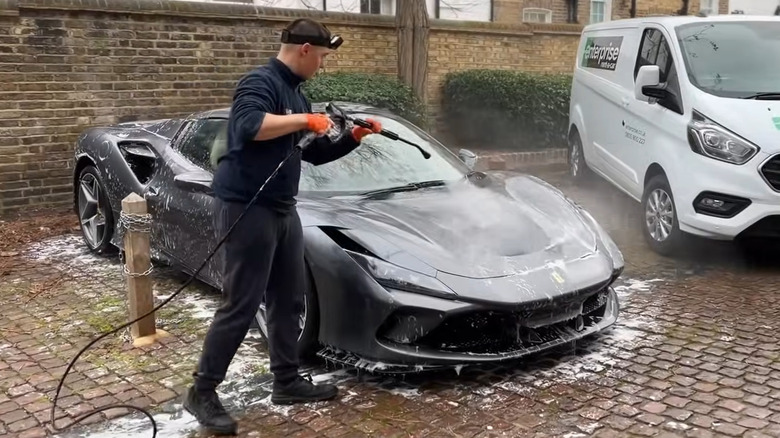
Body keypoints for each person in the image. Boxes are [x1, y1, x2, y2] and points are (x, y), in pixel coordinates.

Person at [183, 18, 382, 436]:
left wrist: (353, 139)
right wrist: (304, 121)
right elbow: (249, 126)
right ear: (305, 49)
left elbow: (309, 156)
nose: (323, 66)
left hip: (280, 207)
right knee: (241, 303)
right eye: (323, 58)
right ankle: (202, 391)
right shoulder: (260, 82)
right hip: (245, 206)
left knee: (288, 299)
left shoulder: (295, 92)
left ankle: (286, 381)